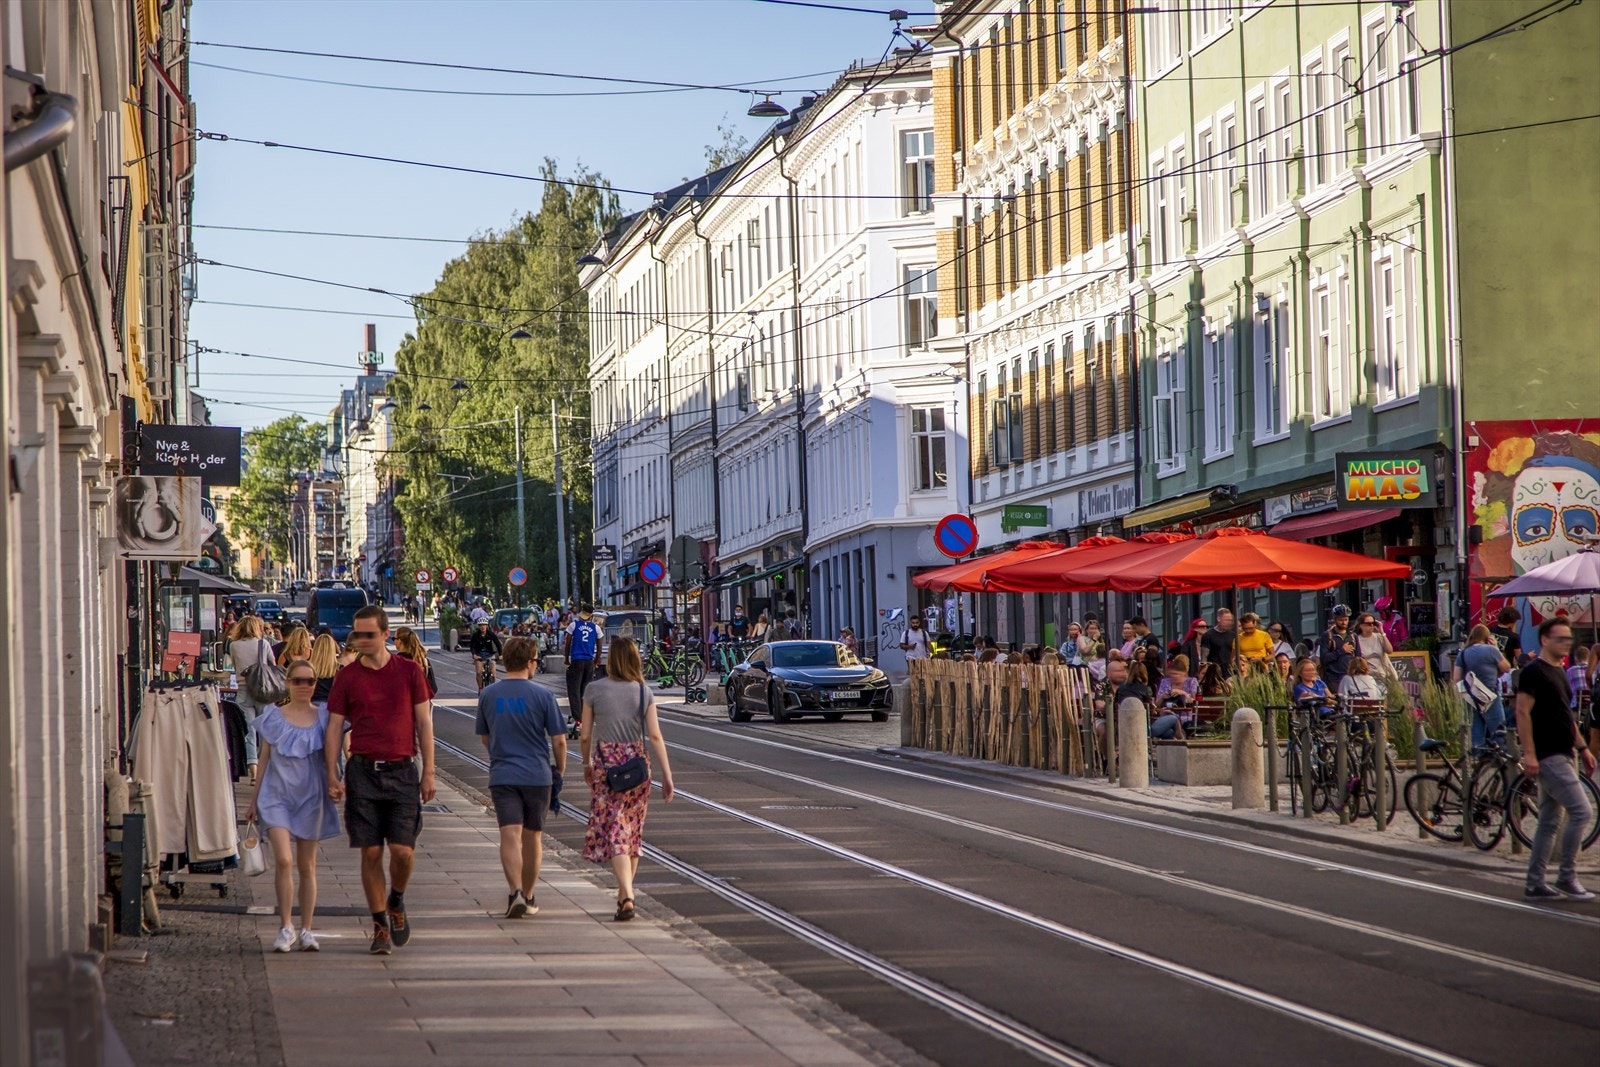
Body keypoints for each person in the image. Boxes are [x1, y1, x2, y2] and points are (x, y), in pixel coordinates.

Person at [324, 605, 435, 955]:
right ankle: (379, 927)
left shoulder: (409, 670)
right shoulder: (348, 676)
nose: (362, 640)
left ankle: (396, 900)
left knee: (402, 851)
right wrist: (332, 773)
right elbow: (334, 727)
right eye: (358, 634)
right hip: (363, 771)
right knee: (370, 852)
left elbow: (424, 722)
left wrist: (429, 770)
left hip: (402, 770)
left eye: (369, 634)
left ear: (386, 635)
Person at [246, 660, 341, 953]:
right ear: (287, 682)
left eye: (310, 681)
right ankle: (286, 925)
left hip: (311, 797)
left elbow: (334, 756)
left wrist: (336, 782)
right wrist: (253, 800)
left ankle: (307, 929)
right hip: (275, 796)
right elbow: (263, 759)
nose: (304, 686)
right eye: (298, 680)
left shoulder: (324, 716)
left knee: (307, 865)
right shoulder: (273, 717)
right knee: (284, 860)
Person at [580, 637, 675, 922]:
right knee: (631, 831)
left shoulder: (593, 690)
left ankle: (628, 895)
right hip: (637, 767)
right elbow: (655, 735)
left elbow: (585, 735)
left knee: (615, 831)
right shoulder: (644, 692)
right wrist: (667, 775)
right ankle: (624, 897)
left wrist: (586, 762)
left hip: (606, 766)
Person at [476, 637, 568, 919]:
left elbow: (484, 737)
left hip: (503, 774)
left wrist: (500, 754)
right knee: (532, 838)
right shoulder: (543, 696)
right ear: (530, 663)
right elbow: (559, 741)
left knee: (509, 834)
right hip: (537, 776)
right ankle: (528, 896)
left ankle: (514, 891)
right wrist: (559, 771)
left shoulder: (488, 695)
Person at [1516, 618, 1596, 901]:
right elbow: (1522, 711)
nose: (1566, 643)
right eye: (1560, 638)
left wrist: (1583, 748)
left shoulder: (1560, 672)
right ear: (1544, 640)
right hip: (1548, 755)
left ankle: (1535, 882)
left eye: (1568, 639)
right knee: (1582, 811)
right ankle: (1566, 876)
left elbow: (1566, 715)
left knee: (1549, 821)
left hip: (1566, 752)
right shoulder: (1534, 672)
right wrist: (1529, 753)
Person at [229, 615, 273, 781]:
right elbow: (272, 665)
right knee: (264, 730)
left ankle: (253, 770)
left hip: (243, 689)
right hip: (262, 690)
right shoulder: (264, 644)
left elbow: (234, 666)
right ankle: (264, 768)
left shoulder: (233, 646)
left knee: (249, 731)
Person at [1454, 625, 1511, 750]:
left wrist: (1466, 694)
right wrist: (1496, 647)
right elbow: (1506, 668)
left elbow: (1457, 678)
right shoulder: (1491, 650)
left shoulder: (1462, 653)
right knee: (1499, 732)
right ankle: (1501, 763)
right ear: (1487, 637)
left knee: (1476, 735)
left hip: (1471, 698)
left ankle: (1477, 762)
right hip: (1490, 696)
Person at [562, 604, 604, 729]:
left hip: (577, 660)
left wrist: (566, 658)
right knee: (585, 691)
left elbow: (568, 644)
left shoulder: (573, 626)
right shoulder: (596, 628)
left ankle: (577, 719)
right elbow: (599, 647)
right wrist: (596, 660)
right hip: (589, 662)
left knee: (574, 690)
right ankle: (586, 717)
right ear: (591, 616)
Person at [1152, 655, 1199, 740]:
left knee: (1169, 731)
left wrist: (1183, 693)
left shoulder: (1191, 681)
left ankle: (1179, 739)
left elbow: (1194, 703)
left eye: (1177, 674)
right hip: (1166, 715)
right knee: (1169, 729)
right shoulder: (1165, 682)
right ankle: (1180, 738)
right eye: (1172, 674)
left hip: (1185, 717)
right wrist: (1163, 697)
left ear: (1184, 674)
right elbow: (1157, 705)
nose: (1174, 676)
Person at [1317, 605, 1357, 694]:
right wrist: (1342, 651)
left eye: (1346, 620)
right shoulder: (1327, 636)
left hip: (1351, 677)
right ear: (1335, 619)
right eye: (1340, 620)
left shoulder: (1353, 636)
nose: (1343, 623)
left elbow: (1359, 657)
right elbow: (1324, 658)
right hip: (1333, 679)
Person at [394, 627, 438, 699]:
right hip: (420, 706)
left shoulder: (396, 662)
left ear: (399, 641)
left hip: (402, 706)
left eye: (394, 639)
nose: (394, 641)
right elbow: (433, 688)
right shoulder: (423, 661)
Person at [1354, 611, 1396, 678]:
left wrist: (1382, 631)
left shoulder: (1379, 636)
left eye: (1373, 623)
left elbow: (1389, 650)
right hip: (1367, 676)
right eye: (1368, 623)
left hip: (1384, 675)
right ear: (1360, 625)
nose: (1371, 625)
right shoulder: (1356, 640)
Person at [1201, 609, 1237, 679]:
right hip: (1214, 671)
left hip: (1229, 671)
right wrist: (1204, 670)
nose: (1229, 623)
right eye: (1226, 620)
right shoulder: (1208, 635)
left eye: (1230, 620)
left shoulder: (1233, 635)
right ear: (1219, 619)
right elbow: (1204, 656)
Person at [468, 618, 502, 692]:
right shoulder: (475, 635)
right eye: (481, 625)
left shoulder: (491, 634)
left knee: (493, 671)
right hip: (479, 654)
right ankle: (480, 688)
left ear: (487, 626)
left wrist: (500, 654)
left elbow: (498, 644)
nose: (482, 627)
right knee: (479, 672)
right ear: (478, 626)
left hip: (490, 654)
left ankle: (492, 687)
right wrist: (474, 655)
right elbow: (472, 646)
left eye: (484, 625)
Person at [308, 633, 341, 706]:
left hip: (311, 706)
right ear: (333, 649)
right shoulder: (340, 669)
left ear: (316, 648)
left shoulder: (307, 667)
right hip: (332, 707)